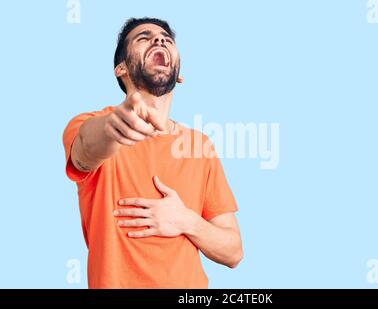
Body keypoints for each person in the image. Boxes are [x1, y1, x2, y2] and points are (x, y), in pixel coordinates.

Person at [62, 17, 243, 288]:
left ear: (178, 73)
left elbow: (233, 252)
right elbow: (86, 149)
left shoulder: (200, 147)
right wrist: (114, 129)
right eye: (143, 38)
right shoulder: (90, 124)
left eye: (166, 39)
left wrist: (186, 220)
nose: (159, 40)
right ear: (120, 68)